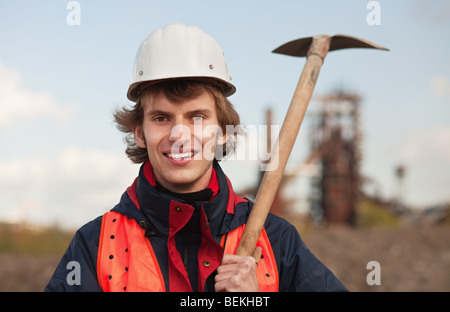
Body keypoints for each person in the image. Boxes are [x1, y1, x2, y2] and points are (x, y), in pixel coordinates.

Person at [45, 23, 347, 292]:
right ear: (139, 132)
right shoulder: (95, 246)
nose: (179, 135)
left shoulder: (277, 241)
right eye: (162, 118)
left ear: (223, 131)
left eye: (197, 117)